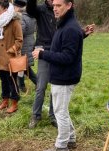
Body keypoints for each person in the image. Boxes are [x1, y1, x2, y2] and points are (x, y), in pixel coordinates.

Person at [26, 0, 94, 128]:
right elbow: (30, 10)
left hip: (57, 54)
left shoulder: (63, 13)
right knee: (41, 86)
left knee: (55, 87)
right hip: (43, 52)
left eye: (58, 4)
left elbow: (68, 38)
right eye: (54, 4)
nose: (55, 6)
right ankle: (36, 115)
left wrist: (83, 33)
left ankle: (54, 116)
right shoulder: (41, 10)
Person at [32, 0, 83, 151]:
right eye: (54, 6)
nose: (55, 9)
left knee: (60, 111)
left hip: (65, 77)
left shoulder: (70, 28)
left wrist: (42, 54)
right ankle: (71, 138)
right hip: (62, 75)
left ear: (69, 5)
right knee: (62, 109)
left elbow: (67, 57)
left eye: (59, 5)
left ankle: (61, 146)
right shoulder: (65, 24)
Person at [0, 0, 23, 113]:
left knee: (12, 80)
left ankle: (14, 102)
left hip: (10, 58)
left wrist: (11, 50)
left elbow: (19, 40)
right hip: (0, 57)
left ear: (5, 9)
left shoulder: (14, 22)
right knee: (3, 80)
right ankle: (5, 100)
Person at [13, 0, 37, 93]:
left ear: (18, 7)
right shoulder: (30, 15)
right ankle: (21, 85)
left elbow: (20, 32)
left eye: (14, 7)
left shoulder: (22, 17)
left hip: (24, 44)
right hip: (30, 42)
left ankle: (38, 82)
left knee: (25, 67)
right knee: (22, 66)